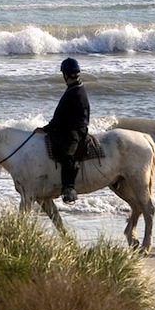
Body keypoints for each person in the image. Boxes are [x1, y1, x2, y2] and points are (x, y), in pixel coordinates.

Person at [35, 57, 90, 203]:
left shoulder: (73, 92)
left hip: (76, 130)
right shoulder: (76, 88)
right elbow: (61, 116)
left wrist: (46, 129)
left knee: (67, 155)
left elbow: (59, 117)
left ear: (65, 74)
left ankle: (69, 188)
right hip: (74, 126)